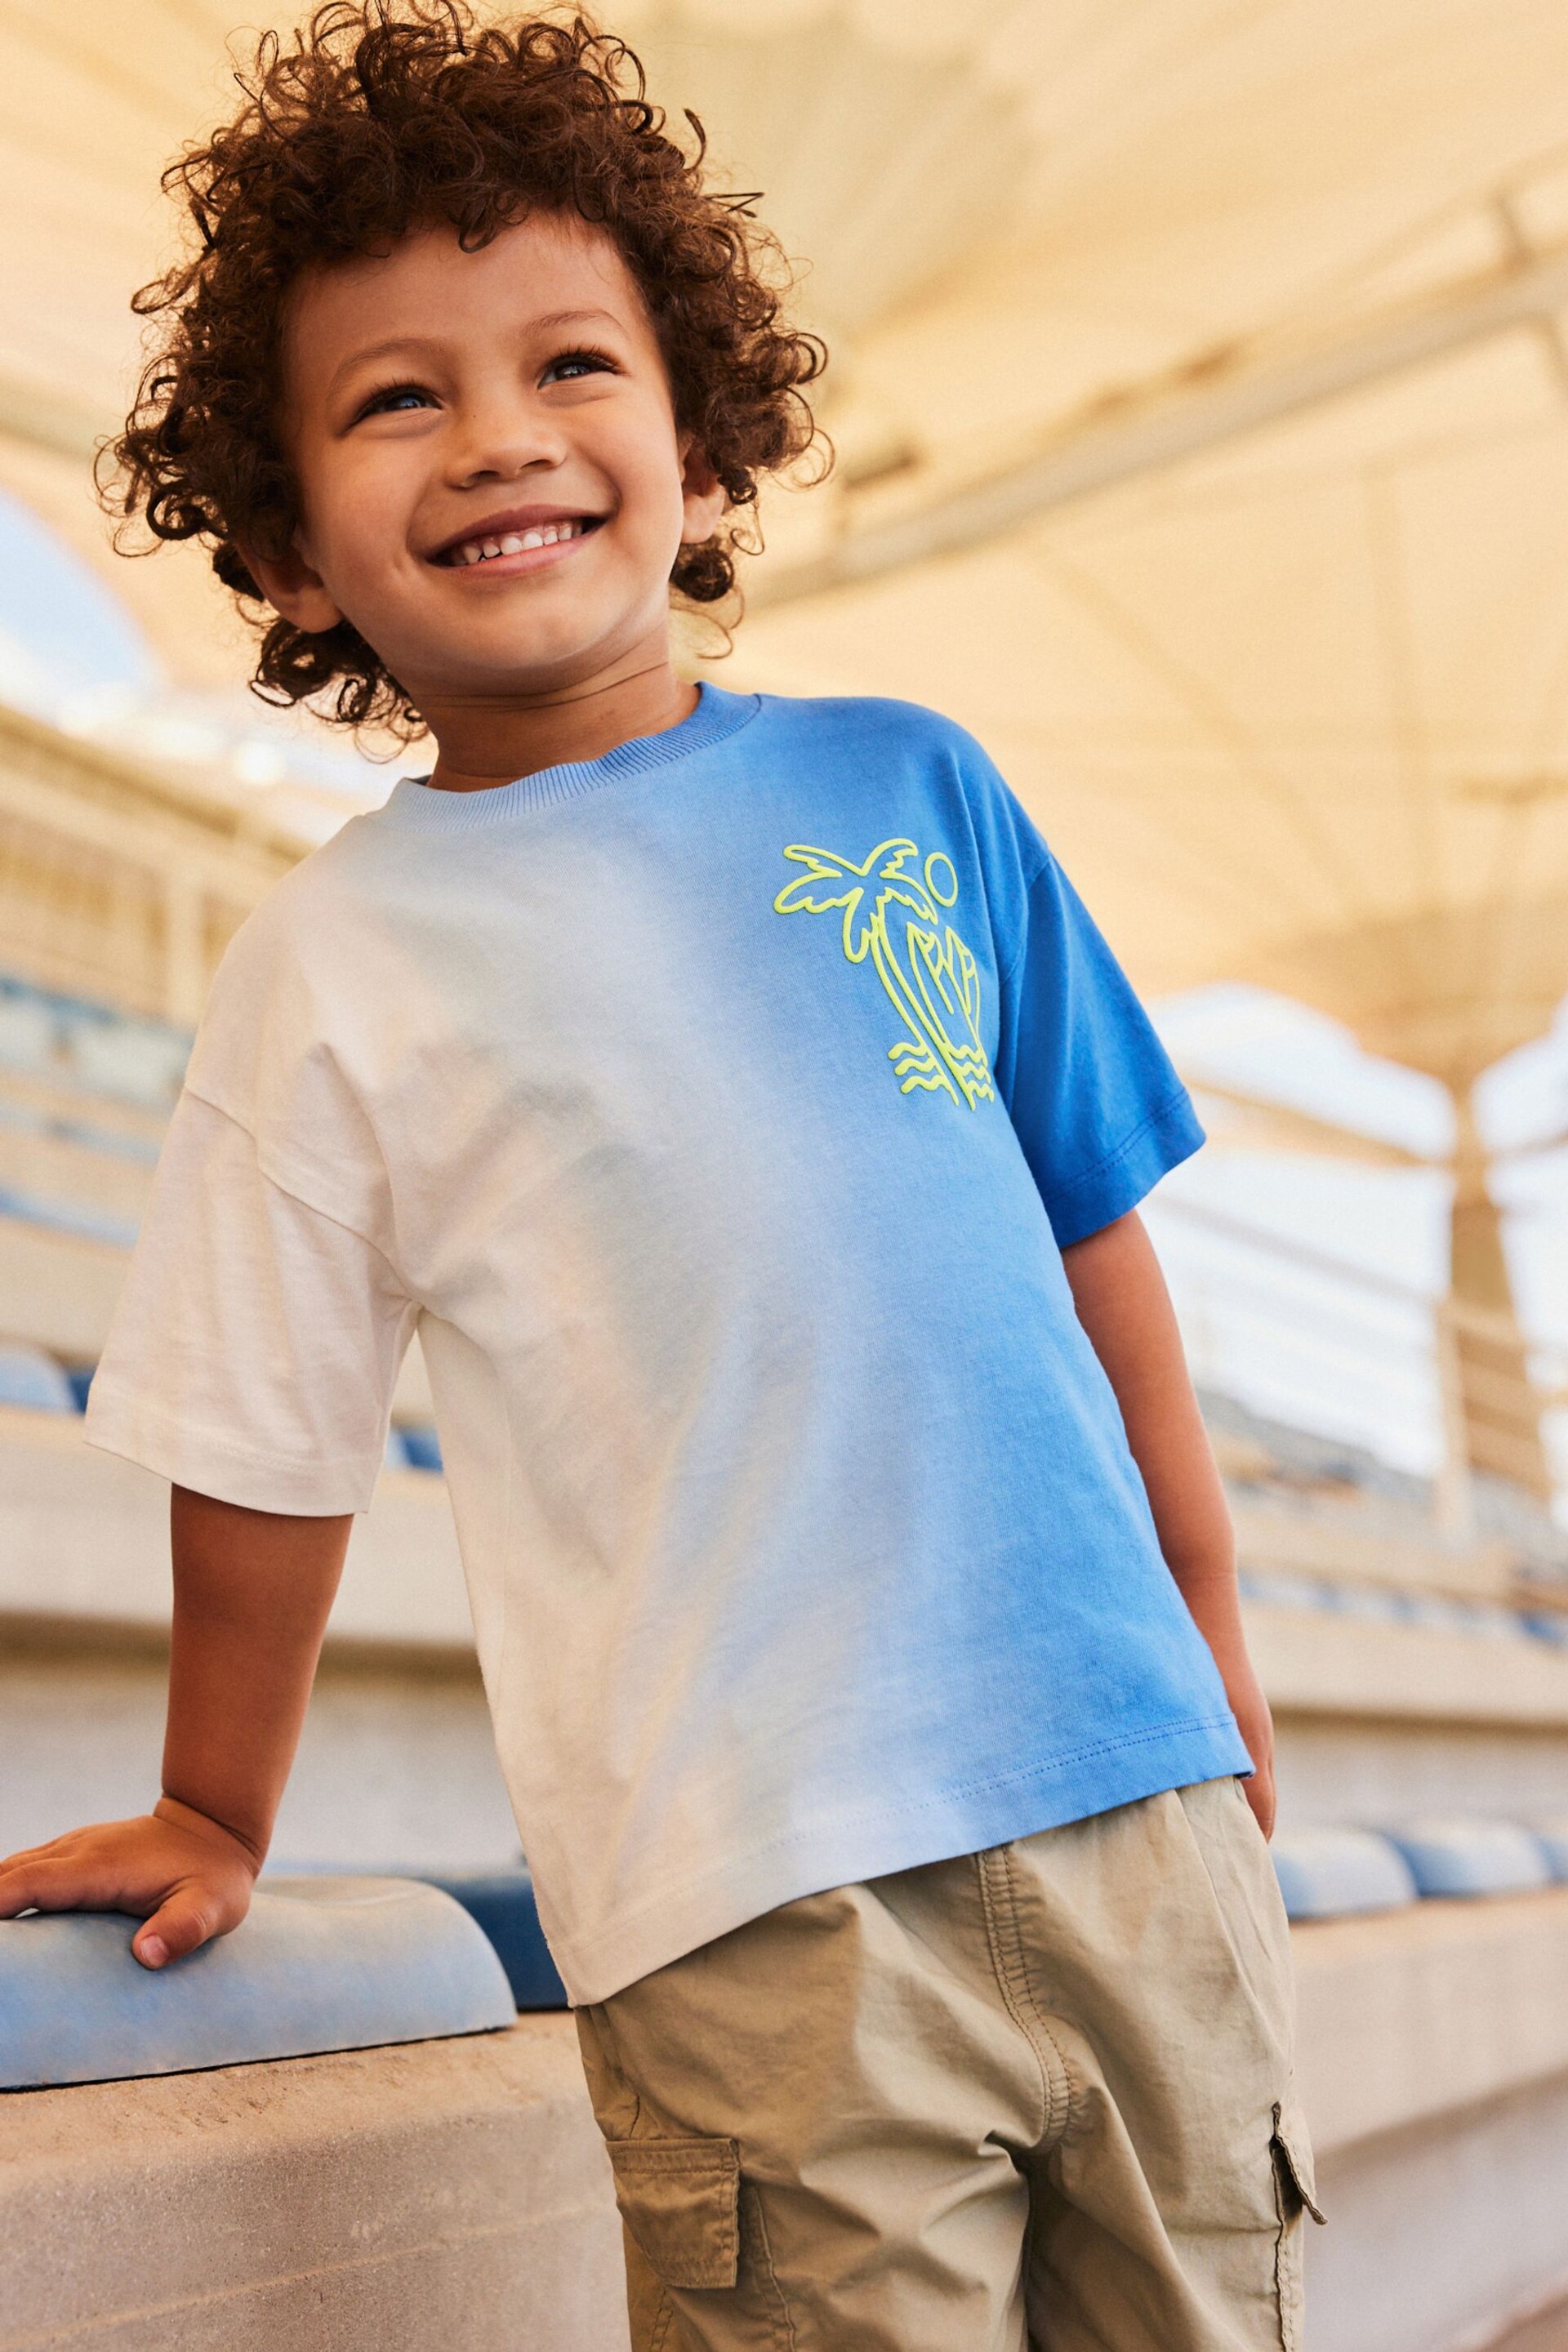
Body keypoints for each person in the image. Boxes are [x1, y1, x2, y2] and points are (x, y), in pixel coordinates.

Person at [0, 8, 1321, 2345]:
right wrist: (218, 1803)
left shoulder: (924, 792)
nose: (499, 434)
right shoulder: (331, 964)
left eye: (569, 364)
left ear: (701, 452)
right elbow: (263, 1437)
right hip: (751, 1912)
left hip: (1136, 1818)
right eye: (395, 397)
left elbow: (1095, 1244)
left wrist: (1211, 1649)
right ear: (296, 553)